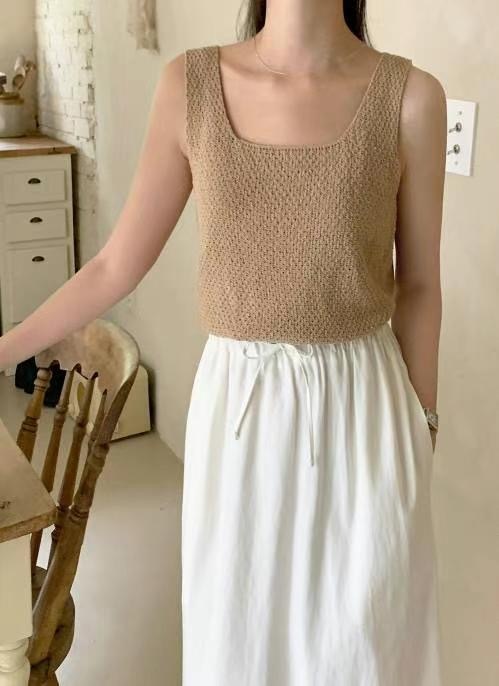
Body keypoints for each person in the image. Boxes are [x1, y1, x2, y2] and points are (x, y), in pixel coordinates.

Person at [0, 0, 447, 684]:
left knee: (364, 644)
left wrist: (422, 425)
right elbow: (115, 265)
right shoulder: (191, 86)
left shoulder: (411, 97)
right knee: (241, 633)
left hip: (364, 409)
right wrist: (6, 348)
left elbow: (418, 285)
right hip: (240, 409)